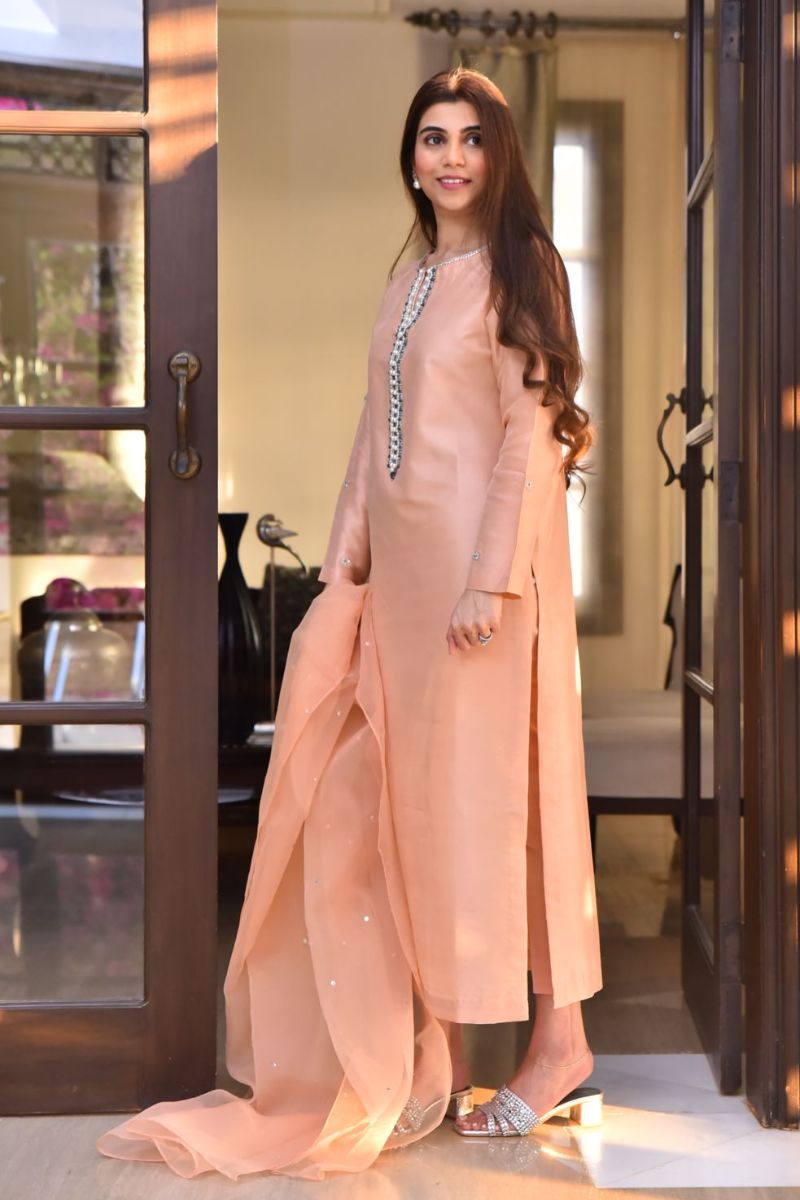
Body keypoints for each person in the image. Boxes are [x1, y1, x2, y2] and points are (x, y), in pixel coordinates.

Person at [95, 65, 603, 1180]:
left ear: (499, 155)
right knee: (410, 811)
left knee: (502, 800)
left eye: (471, 138)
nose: (451, 157)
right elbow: (377, 427)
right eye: (433, 138)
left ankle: (557, 1042)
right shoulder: (409, 276)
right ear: (411, 158)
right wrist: (344, 562)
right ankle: (436, 1054)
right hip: (403, 589)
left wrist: (488, 583)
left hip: (482, 585)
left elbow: (528, 436)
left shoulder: (524, 263)